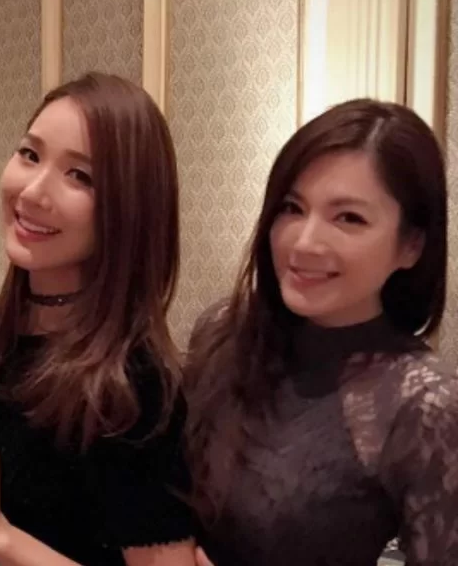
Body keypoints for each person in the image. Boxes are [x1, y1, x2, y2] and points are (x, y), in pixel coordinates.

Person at [184, 99, 458, 566]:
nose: (305, 242)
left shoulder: (424, 404)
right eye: (292, 208)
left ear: (411, 245)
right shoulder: (223, 333)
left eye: (348, 218)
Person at [0, 72, 196, 566]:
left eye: (80, 176)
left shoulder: (133, 386)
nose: (33, 192)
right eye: (29, 154)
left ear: (128, 209)